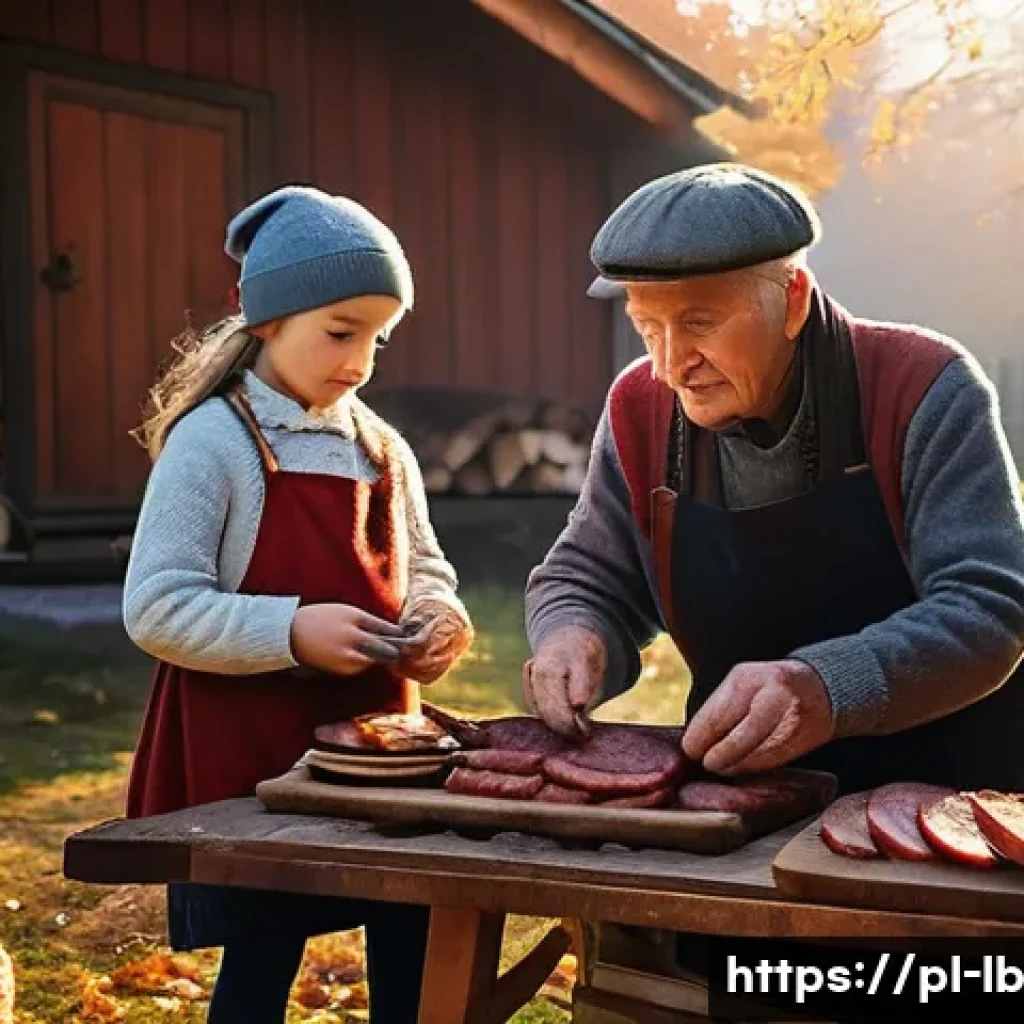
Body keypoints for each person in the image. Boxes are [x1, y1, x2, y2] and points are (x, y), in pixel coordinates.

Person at [523, 162, 1024, 796]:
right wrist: (573, 633)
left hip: (945, 796)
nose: (674, 366)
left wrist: (823, 687)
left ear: (793, 300)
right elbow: (587, 577)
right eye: (648, 328)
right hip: (741, 797)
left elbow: (989, 610)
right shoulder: (638, 407)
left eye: (700, 324)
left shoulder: (923, 387)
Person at [122, 185, 474, 1023]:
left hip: (381, 753)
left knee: (409, 923)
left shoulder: (381, 447)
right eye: (341, 331)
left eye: (379, 338)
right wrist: (289, 630)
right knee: (263, 945)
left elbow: (427, 568)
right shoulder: (216, 439)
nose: (361, 360)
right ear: (269, 318)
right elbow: (157, 608)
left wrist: (438, 618)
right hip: (253, 758)